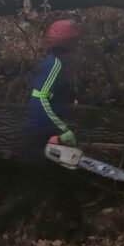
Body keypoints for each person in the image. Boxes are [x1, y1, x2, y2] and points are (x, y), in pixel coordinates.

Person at [26, 18, 81, 150]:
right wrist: (62, 130)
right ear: (68, 42)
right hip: (41, 137)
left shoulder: (58, 64)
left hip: (48, 134)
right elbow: (40, 98)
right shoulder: (54, 64)